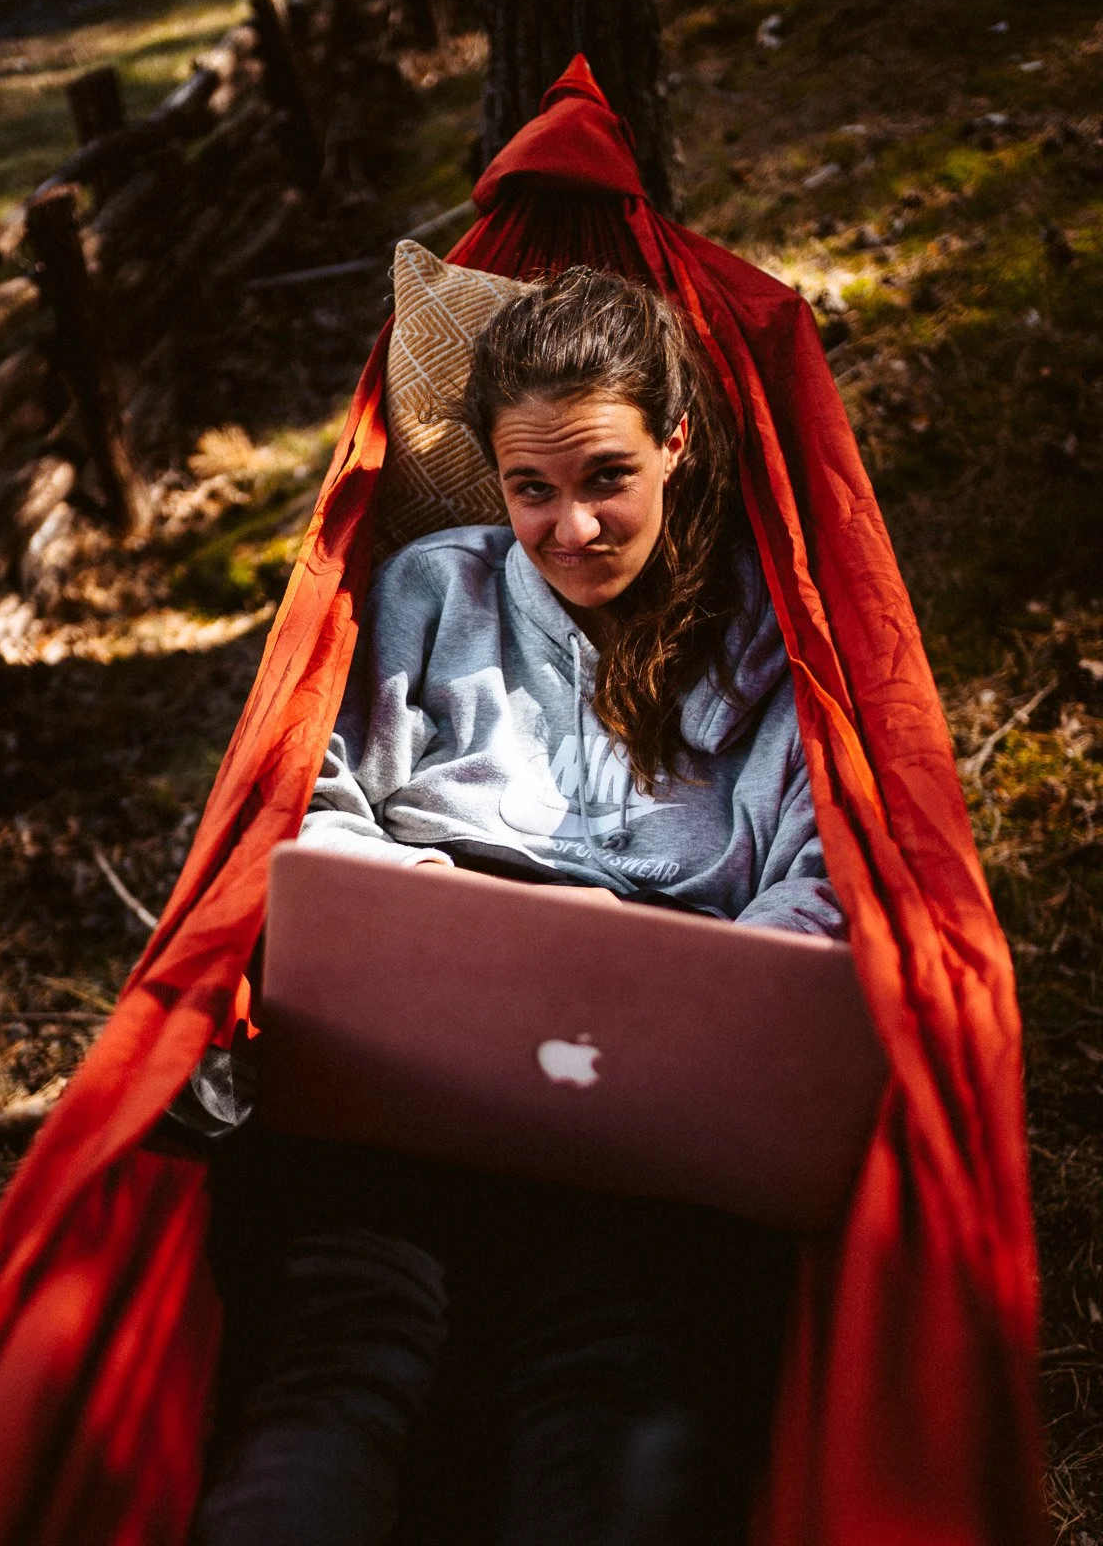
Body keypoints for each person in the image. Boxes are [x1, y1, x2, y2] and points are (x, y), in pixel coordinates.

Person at [194, 269, 844, 1546]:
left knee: (611, 1395)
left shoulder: (771, 634)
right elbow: (313, 795)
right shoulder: (431, 591)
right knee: (337, 1360)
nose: (570, 528)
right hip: (407, 1069)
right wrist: (419, 918)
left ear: (674, 442)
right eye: (528, 489)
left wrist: (685, 997)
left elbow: (820, 879)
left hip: (649, 1100)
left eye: (604, 477)